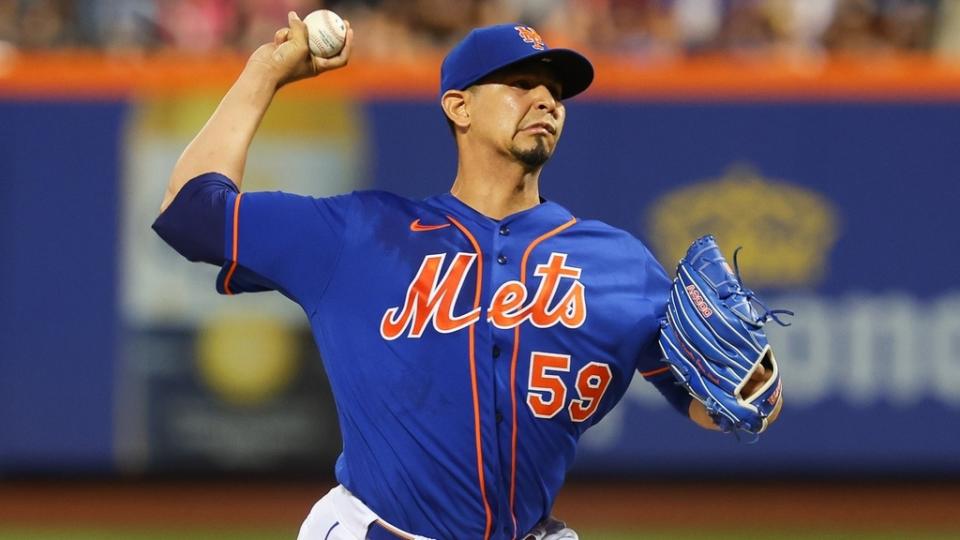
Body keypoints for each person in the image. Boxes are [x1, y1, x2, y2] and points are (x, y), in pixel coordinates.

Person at [153, 12, 780, 540]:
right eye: (519, 83)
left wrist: (754, 387)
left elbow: (706, 403)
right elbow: (189, 214)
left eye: (555, 92)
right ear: (459, 106)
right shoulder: (360, 235)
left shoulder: (617, 263)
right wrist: (265, 72)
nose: (545, 100)